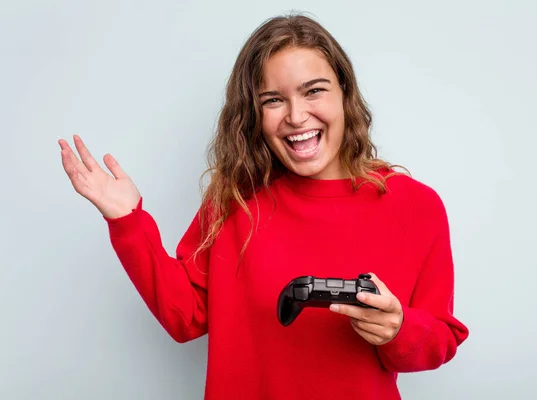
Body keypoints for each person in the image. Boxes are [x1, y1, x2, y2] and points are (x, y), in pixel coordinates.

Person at [58, 13, 469, 400]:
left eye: (314, 91)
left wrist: (397, 329)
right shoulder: (236, 198)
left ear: (345, 92)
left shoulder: (414, 206)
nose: (295, 115)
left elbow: (440, 339)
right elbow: (185, 317)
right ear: (254, 113)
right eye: (273, 99)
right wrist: (127, 221)